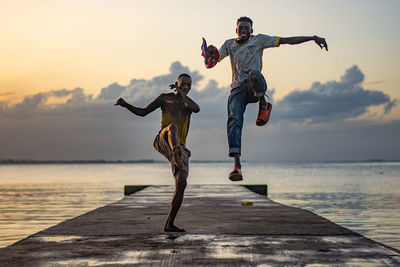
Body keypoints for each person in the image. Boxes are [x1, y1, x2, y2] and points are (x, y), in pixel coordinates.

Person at [203, 16, 328, 181]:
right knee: (234, 119)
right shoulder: (229, 44)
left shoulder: (259, 40)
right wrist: (210, 53)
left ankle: (263, 104)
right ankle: (237, 166)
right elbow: (213, 61)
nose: (243, 30)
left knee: (254, 75)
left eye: (246, 28)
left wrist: (312, 38)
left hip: (254, 86)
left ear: (251, 31)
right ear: (236, 31)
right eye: (241, 28)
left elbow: (286, 41)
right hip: (237, 89)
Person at [115, 73, 200, 232]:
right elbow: (143, 112)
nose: (186, 88)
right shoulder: (164, 98)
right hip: (163, 139)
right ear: (176, 83)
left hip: (182, 148)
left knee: (181, 183)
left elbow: (196, 109)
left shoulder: (187, 103)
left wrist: (183, 95)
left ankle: (169, 224)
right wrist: (126, 104)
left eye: (189, 85)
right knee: (172, 128)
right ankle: (175, 151)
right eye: (183, 85)